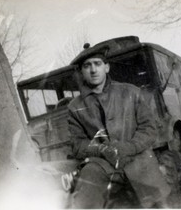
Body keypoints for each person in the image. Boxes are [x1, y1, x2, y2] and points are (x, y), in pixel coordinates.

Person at [67, 45, 171, 208]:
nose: (93, 70)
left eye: (97, 64)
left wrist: (129, 147)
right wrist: (102, 150)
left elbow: (149, 128)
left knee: (157, 202)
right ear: (81, 72)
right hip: (102, 164)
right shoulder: (75, 106)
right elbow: (77, 144)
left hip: (137, 158)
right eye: (87, 66)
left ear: (106, 67)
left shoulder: (131, 92)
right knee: (83, 199)